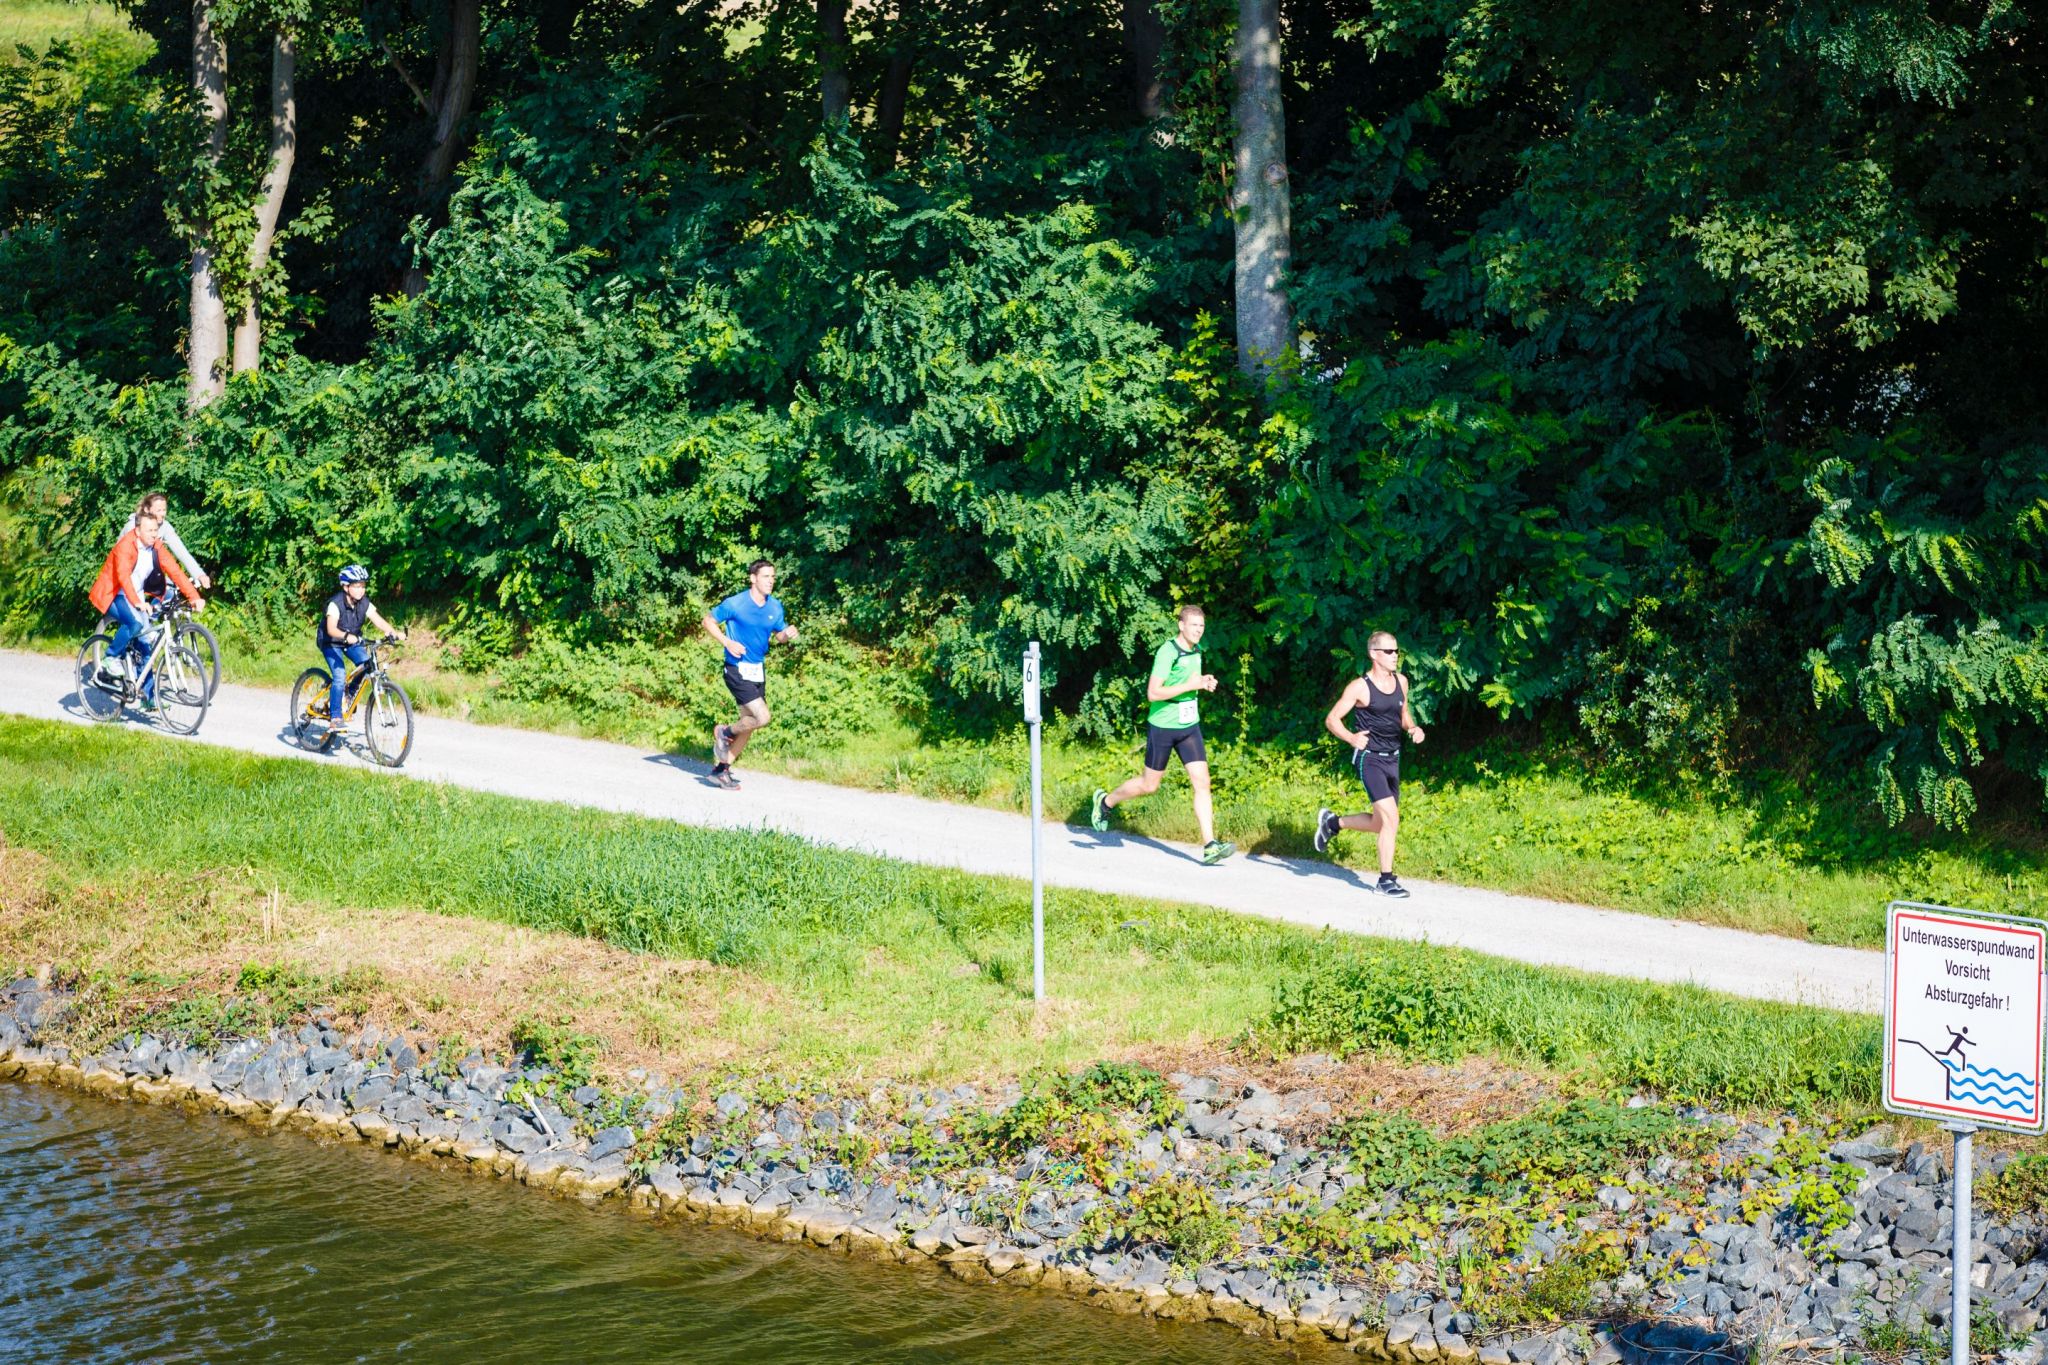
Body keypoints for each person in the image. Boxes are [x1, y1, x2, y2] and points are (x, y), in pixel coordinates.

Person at [1090, 605, 1235, 865]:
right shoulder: (1167, 652)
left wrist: (1203, 682)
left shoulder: (1196, 650)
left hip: (1189, 726)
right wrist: (1191, 684)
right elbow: (1153, 693)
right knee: (1149, 785)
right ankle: (1106, 802)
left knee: (1202, 782)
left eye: (1202, 626)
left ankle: (1210, 845)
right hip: (1164, 727)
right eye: (1194, 625)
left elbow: (1189, 682)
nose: (1199, 631)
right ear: (1181, 625)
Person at [1313, 630, 1424, 897]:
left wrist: (1412, 728)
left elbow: (1403, 714)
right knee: (1392, 819)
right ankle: (1385, 881)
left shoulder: (1402, 681)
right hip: (1369, 759)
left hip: (1393, 758)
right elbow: (1332, 719)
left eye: (1397, 651)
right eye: (1389, 651)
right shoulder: (1360, 687)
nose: (1395, 656)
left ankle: (1332, 823)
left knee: (1379, 823)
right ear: (1374, 654)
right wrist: (1351, 738)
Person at [88, 507, 203, 706]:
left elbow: (175, 571)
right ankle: (110, 658)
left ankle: (148, 699)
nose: (154, 534)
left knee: (144, 646)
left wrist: (194, 597)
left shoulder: (156, 546)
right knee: (134, 624)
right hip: (114, 595)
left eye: (156, 530)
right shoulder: (126, 546)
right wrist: (138, 603)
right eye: (149, 531)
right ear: (138, 530)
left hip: (136, 597)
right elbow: (123, 578)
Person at [702, 559, 798, 791]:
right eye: (766, 576)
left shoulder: (775, 606)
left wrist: (787, 634)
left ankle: (721, 771)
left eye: (773, 577)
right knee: (762, 717)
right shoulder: (736, 603)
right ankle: (724, 731)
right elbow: (708, 621)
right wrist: (727, 642)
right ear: (753, 578)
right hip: (736, 668)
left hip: (757, 670)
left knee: (750, 723)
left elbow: (779, 636)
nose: (771, 581)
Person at [317, 564, 403, 740]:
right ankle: (335, 717)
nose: (361, 590)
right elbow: (331, 629)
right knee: (339, 676)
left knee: (367, 664)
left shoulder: (364, 603)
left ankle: (349, 694)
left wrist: (392, 632)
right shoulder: (335, 604)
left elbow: (379, 621)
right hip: (331, 642)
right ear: (346, 587)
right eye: (356, 586)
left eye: (363, 585)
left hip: (352, 641)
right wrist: (346, 636)